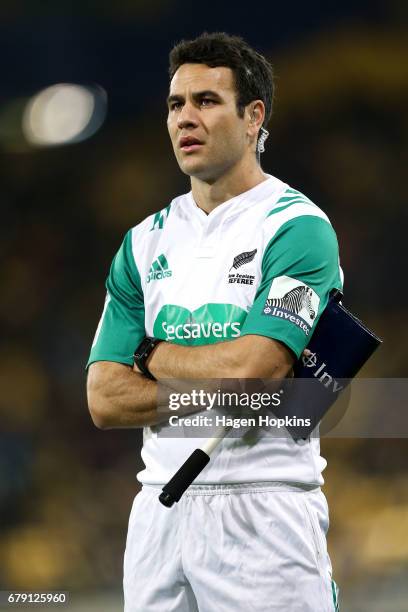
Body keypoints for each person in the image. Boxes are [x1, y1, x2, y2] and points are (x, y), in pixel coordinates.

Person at [86, 32, 341, 612]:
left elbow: (255, 373)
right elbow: (104, 399)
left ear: (254, 118)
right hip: (159, 508)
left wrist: (153, 358)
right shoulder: (142, 243)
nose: (185, 118)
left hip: (266, 508)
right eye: (176, 104)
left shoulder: (297, 228)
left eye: (207, 101)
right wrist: (217, 390)